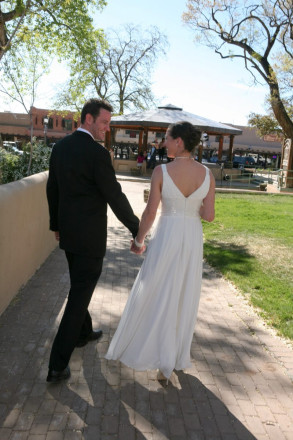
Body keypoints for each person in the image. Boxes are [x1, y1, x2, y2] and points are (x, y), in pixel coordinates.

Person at [105, 121, 215, 382]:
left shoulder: (162, 171)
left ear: (179, 141)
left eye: (166, 137)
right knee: (184, 293)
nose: (163, 142)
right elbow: (209, 216)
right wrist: (192, 207)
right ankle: (174, 357)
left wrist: (139, 240)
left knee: (157, 289)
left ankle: (158, 354)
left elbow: (150, 212)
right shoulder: (207, 174)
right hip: (191, 237)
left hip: (167, 234)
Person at [46, 98, 139, 383]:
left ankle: (82, 334)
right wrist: (138, 228)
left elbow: (53, 189)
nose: (107, 129)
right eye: (104, 122)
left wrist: (56, 225)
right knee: (78, 298)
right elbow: (115, 196)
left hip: (69, 236)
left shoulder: (59, 148)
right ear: (88, 119)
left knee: (79, 286)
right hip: (89, 241)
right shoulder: (97, 155)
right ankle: (57, 365)